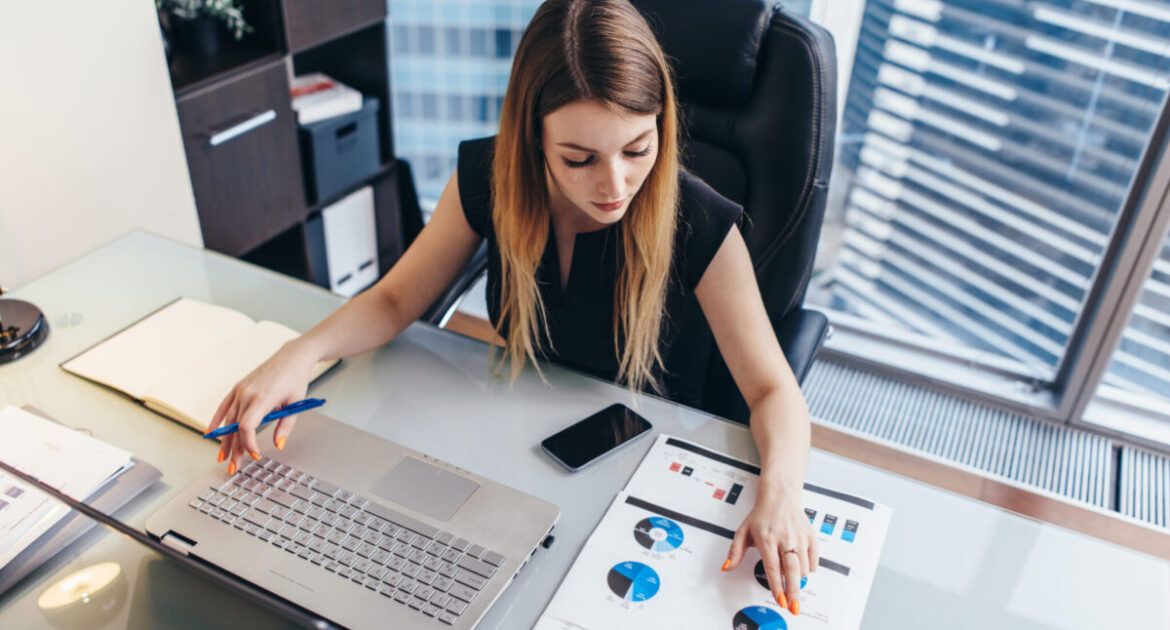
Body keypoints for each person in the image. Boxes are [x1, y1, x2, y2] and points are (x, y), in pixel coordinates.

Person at [208, 0, 817, 616]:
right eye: (579, 159)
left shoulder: (699, 219)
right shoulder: (491, 176)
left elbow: (773, 389)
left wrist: (782, 491)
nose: (614, 186)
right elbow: (395, 298)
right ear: (533, 136)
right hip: (519, 448)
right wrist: (299, 353)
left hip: (640, 469)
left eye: (637, 148)